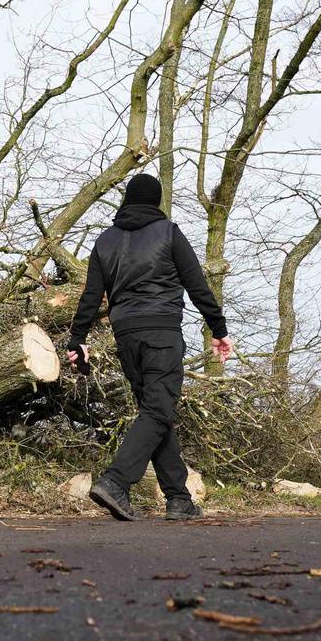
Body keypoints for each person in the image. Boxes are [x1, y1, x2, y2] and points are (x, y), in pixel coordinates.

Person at [63, 172, 231, 521]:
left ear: (127, 199)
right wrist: (219, 328)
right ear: (156, 202)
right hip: (161, 332)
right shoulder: (169, 233)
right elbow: (197, 285)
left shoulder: (105, 241)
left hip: (126, 335)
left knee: (157, 411)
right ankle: (116, 482)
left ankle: (178, 498)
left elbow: (92, 296)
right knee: (158, 410)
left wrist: (77, 338)